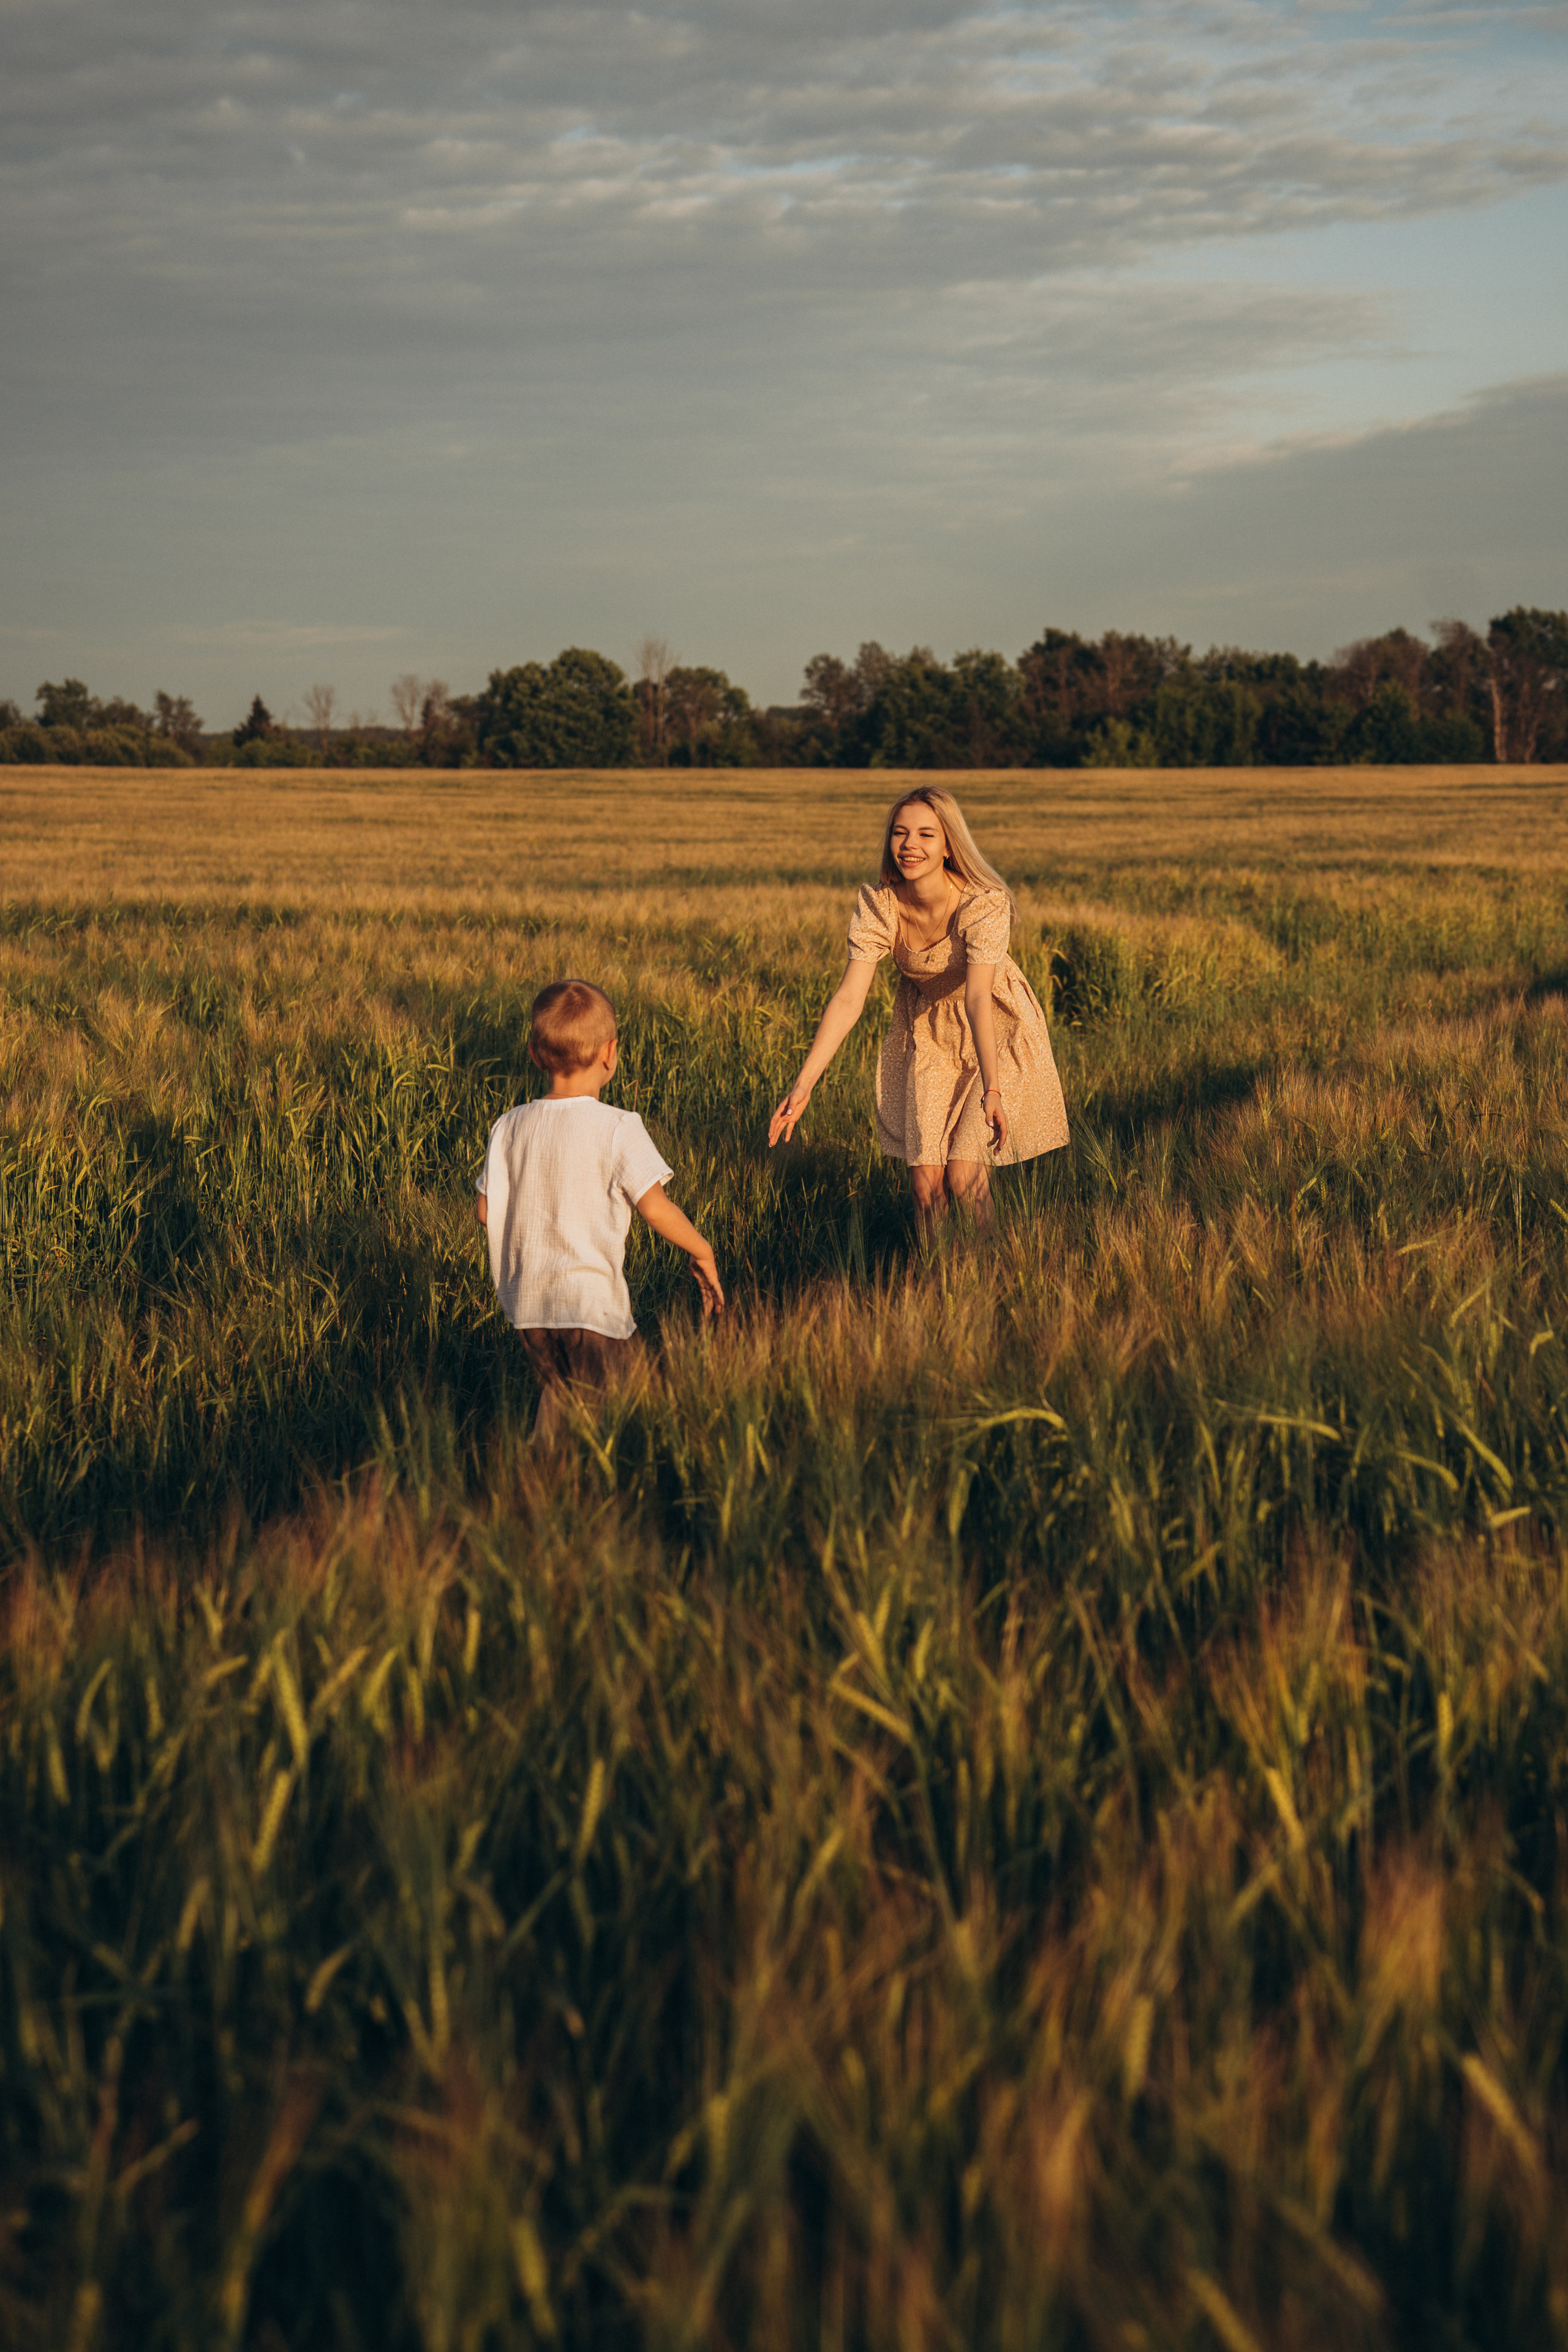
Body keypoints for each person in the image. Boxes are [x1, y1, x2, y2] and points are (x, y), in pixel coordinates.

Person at [767, 786, 1068, 1232]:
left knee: (965, 1177)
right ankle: (939, 1285)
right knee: (927, 1187)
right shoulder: (881, 904)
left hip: (996, 1033)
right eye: (900, 833)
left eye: (926, 834)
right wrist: (804, 1084)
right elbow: (850, 998)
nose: (910, 845)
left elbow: (978, 997)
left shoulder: (982, 903)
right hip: (930, 1038)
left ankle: (990, 1281)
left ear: (949, 846)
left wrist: (993, 1090)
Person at [477, 979, 723, 1439]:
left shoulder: (507, 1126)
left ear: (534, 1054)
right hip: (590, 1306)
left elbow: (487, 1212)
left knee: (562, 1401)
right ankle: (586, 1487)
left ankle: (540, 1481)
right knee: (635, 1409)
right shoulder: (618, 1127)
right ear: (611, 1053)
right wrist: (702, 1249)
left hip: (529, 1310)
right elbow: (655, 1208)